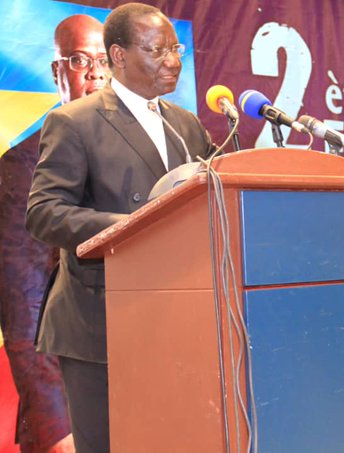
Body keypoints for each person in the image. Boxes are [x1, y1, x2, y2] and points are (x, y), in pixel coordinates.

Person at [25, 4, 214, 452]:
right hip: (100, 322)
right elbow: (44, 212)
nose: (172, 61)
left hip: (174, 315)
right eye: (157, 50)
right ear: (119, 55)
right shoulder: (75, 121)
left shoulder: (186, 124)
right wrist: (132, 227)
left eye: (176, 49)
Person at [0, 14, 107, 453]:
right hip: (69, 407)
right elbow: (22, 309)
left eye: (104, 60)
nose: (95, 73)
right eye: (80, 60)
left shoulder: (125, 152)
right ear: (57, 70)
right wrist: (56, 424)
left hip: (130, 387)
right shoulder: (26, 163)